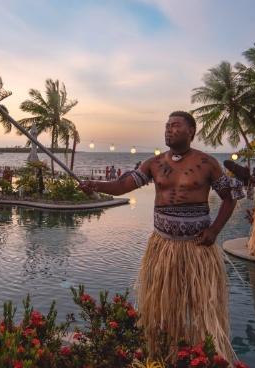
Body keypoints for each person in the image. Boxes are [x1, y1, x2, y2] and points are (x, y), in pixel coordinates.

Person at [79, 111, 243, 361]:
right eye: (167, 125)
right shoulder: (153, 164)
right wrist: (97, 185)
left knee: (202, 306)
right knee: (164, 307)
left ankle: (207, 357)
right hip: (163, 248)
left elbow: (229, 198)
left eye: (175, 125)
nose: (169, 129)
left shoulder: (207, 163)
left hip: (198, 249)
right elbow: (124, 185)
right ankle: (164, 354)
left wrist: (215, 230)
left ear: (190, 131)